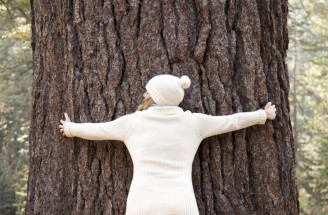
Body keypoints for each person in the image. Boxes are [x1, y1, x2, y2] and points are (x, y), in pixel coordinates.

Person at [59, 74, 276, 215]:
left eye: (148, 91)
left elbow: (98, 130)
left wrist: (70, 128)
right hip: (182, 203)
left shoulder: (133, 122)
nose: (144, 93)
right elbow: (231, 121)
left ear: (154, 97)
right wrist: (261, 115)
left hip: (142, 203)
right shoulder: (194, 122)